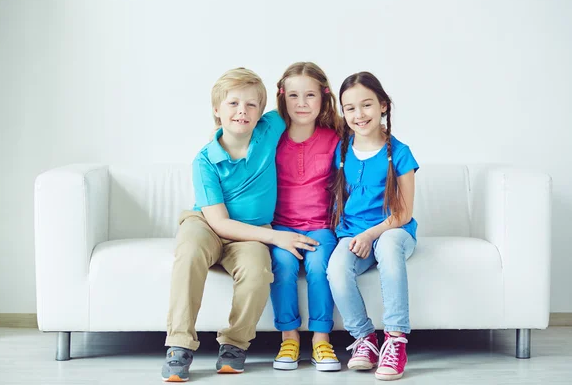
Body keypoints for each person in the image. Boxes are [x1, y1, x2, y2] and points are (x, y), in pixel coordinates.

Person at [161, 67, 318, 382]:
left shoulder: (268, 129)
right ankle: (179, 344)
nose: (242, 111)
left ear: (262, 111)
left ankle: (234, 343)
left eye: (250, 105)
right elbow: (218, 222)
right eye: (233, 104)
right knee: (190, 252)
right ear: (217, 111)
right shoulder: (205, 160)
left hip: (250, 234)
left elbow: (297, 101)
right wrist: (277, 237)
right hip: (206, 224)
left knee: (259, 270)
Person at [327, 71, 419, 381]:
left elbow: (403, 213)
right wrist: (356, 235)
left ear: (383, 105)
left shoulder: (400, 153)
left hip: (394, 230)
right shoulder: (342, 151)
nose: (358, 114)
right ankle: (365, 339)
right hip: (354, 233)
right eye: (349, 108)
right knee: (336, 268)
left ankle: (395, 339)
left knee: (390, 246)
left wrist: (371, 234)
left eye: (366, 105)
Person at [270, 62, 342, 371]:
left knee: (318, 267)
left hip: (321, 227)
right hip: (281, 226)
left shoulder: (336, 137)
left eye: (310, 95)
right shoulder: (272, 136)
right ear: (282, 97)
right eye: (294, 95)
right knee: (283, 265)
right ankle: (289, 338)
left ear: (324, 98)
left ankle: (321, 340)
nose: (302, 104)